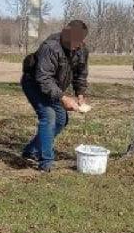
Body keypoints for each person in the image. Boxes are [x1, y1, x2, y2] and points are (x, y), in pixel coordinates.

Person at [21, 20, 90, 171]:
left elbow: (81, 74)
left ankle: (30, 150)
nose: (77, 45)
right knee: (49, 117)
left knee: (61, 120)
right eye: (74, 40)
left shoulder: (82, 50)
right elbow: (43, 78)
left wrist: (80, 93)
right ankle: (46, 161)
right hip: (34, 84)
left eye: (80, 41)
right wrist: (63, 98)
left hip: (53, 87)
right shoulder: (51, 47)